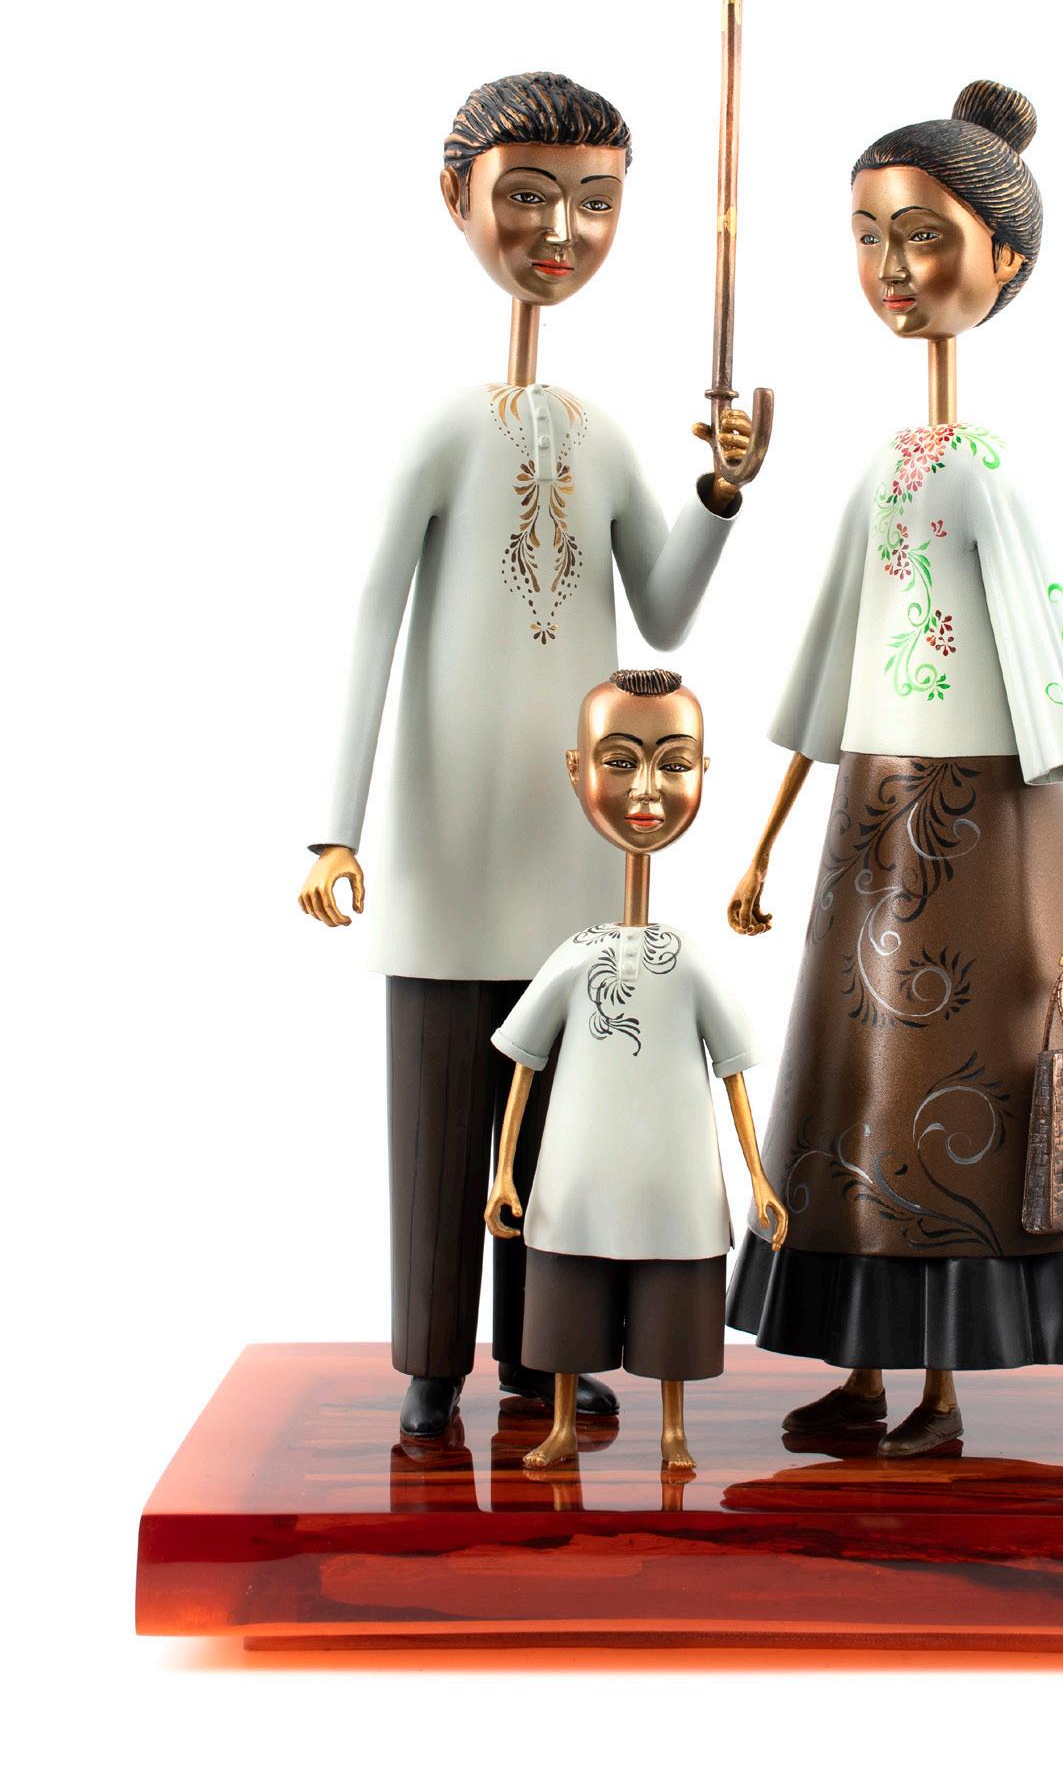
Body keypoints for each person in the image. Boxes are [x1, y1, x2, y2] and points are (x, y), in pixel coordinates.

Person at [725, 79, 1063, 1456]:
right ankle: (867, 1373)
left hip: (992, 824)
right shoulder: (883, 468)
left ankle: (938, 1390)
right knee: (859, 1086)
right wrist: (764, 840)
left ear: (1007, 261)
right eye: (870, 235)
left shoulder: (985, 473)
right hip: (872, 816)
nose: (892, 267)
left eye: (923, 235)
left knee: (970, 1086)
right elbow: (826, 662)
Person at [297, 72, 753, 1437]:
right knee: (444, 1120)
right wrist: (336, 827)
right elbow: (372, 617)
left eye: (594, 203)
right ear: (460, 199)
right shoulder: (444, 432)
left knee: (558, 1119)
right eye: (530, 197)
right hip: (446, 856)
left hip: (574, 855)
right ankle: (431, 1365)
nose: (561, 232)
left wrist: (719, 494)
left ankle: (540, 1353)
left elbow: (662, 609)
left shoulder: (603, 436)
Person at [486, 667, 787, 1471]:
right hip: (574, 1177)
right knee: (564, 1300)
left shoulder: (688, 960)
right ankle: (560, 1421)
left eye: (673, 763)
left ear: (702, 770)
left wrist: (757, 1178)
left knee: (673, 1306)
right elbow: (524, 1063)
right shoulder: (574, 955)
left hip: (674, 1177)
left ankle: (672, 1429)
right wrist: (505, 1174)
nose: (647, 789)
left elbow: (732, 1071)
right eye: (620, 761)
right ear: (578, 768)